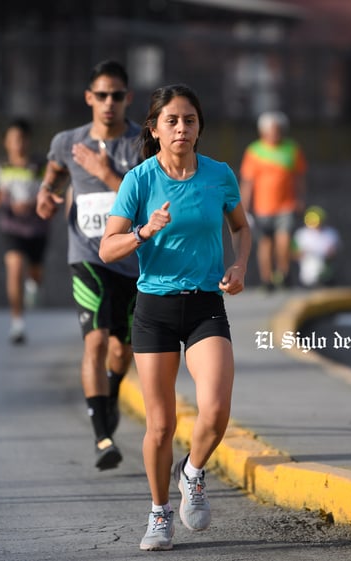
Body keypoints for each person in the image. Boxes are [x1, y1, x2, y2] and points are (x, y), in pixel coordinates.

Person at [99, 83, 251, 551]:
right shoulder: (139, 180)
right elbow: (108, 248)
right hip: (155, 309)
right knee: (160, 425)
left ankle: (193, 470)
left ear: (199, 127)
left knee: (216, 409)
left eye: (189, 120)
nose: (181, 128)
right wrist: (145, 230)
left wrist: (239, 265)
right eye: (172, 121)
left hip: (206, 302)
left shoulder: (219, 175)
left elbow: (242, 228)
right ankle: (159, 514)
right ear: (155, 129)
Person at [36, 60, 142, 471]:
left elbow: (148, 199)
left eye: (117, 95)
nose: (109, 103)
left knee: (123, 349)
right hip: (87, 257)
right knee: (95, 342)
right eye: (102, 95)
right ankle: (102, 435)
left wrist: (108, 173)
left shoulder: (141, 144)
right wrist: (47, 192)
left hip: (133, 263)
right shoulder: (68, 141)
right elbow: (56, 170)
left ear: (127, 98)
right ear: (89, 98)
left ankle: (111, 394)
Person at [0, 118, 49, 344]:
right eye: (13, 140)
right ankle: (17, 323)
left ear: (28, 141)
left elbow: (48, 192)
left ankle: (33, 286)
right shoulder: (1, 167)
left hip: (37, 228)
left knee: (35, 272)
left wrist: (32, 205)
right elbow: (2, 192)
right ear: (6, 142)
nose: (18, 144)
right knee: (14, 268)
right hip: (11, 227)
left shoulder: (40, 166)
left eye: (21, 139)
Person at [239, 110, 307, 292]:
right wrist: (244, 207)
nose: (274, 133)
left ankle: (283, 274)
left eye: (277, 130)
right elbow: (248, 182)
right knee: (265, 243)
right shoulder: (254, 151)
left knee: (284, 240)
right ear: (263, 131)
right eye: (270, 130)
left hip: (287, 204)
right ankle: (267, 279)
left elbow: (298, 177)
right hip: (262, 207)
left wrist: (300, 198)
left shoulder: (292, 148)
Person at [293, 205, 340, 288]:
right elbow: (293, 254)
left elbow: (334, 252)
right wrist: (303, 254)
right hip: (307, 274)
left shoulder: (331, 233)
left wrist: (328, 253)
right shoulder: (301, 234)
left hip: (326, 273)